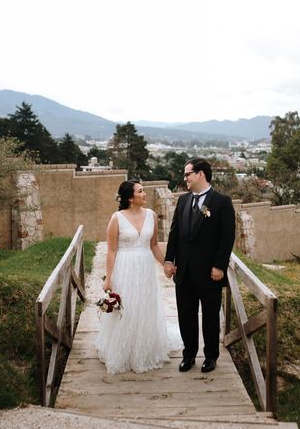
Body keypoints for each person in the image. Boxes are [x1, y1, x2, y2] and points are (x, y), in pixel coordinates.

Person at [95, 180, 180, 374]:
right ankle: (124, 351)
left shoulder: (151, 215)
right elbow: (111, 251)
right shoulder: (116, 218)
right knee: (128, 308)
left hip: (145, 269)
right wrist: (108, 279)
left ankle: (145, 348)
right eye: (141, 191)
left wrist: (166, 264)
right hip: (124, 268)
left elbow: (154, 245)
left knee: (145, 306)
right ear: (130, 198)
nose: (145, 194)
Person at [164, 158, 236, 373]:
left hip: (209, 272)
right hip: (183, 271)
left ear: (201, 174)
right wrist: (169, 260)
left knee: (211, 317)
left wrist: (219, 266)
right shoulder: (183, 200)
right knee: (186, 315)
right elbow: (174, 233)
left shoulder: (222, 202)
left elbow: (227, 237)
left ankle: (211, 356)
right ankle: (188, 354)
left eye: (188, 174)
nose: (185, 178)